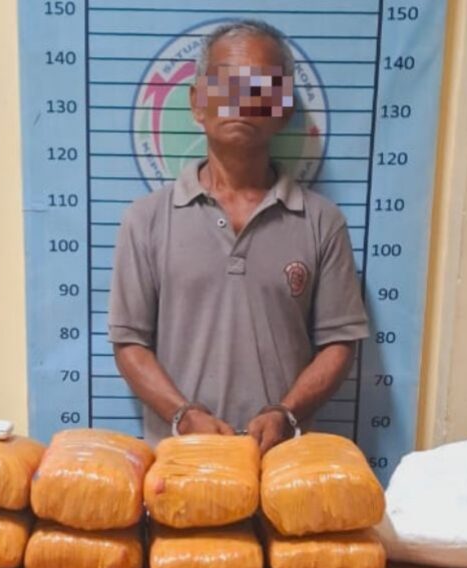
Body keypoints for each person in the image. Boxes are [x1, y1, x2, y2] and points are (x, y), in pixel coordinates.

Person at [108, 20, 368, 453]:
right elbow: (130, 342)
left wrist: (286, 413)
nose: (242, 100)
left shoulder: (323, 222)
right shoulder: (146, 220)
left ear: (283, 109)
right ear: (197, 102)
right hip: (181, 465)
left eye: (260, 87)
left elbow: (339, 344)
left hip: (283, 467)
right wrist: (183, 415)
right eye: (227, 83)